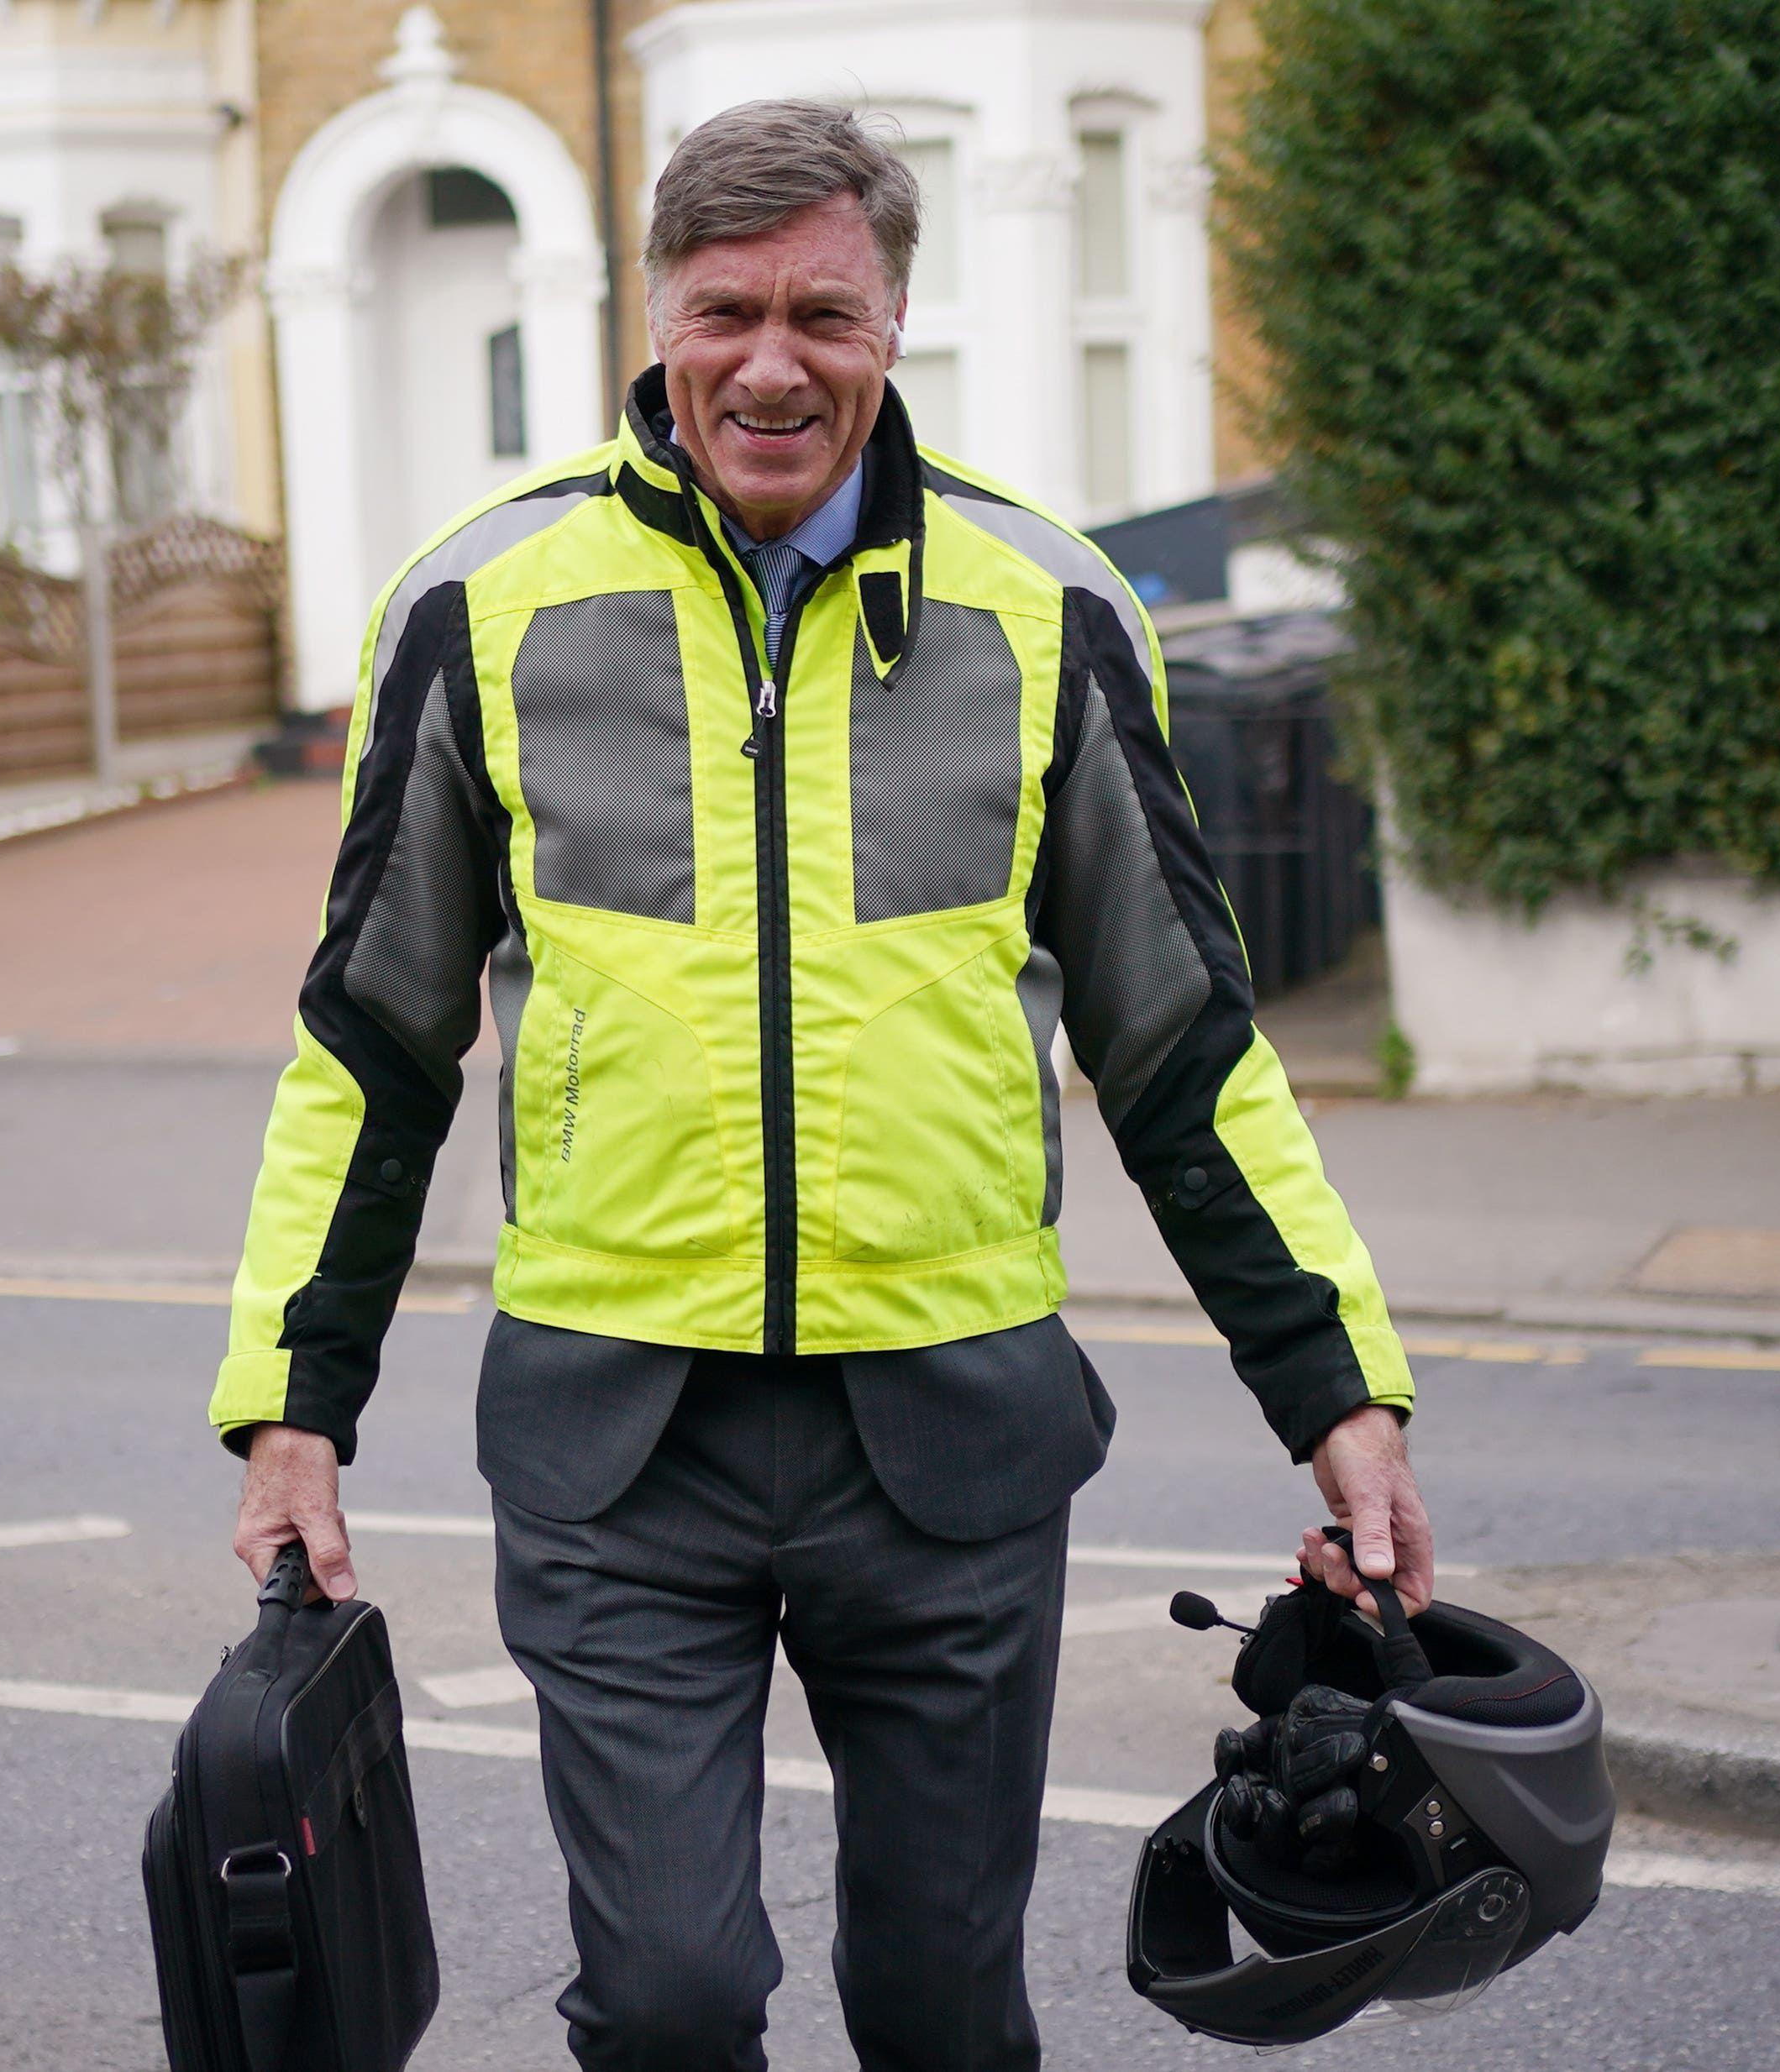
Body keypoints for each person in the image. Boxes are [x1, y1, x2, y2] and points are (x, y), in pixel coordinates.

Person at [215, 97, 1432, 2072]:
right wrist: (291, 1406)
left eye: (821, 313)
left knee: (944, 2010)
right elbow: (371, 1039)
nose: (769, 363)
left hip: (950, 1441)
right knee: (674, 2000)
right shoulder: (482, 604)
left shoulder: (1048, 610)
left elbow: (1182, 1046)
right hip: (619, 1446)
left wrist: (1339, 1399)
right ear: (656, 317)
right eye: (724, 312)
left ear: (889, 325)